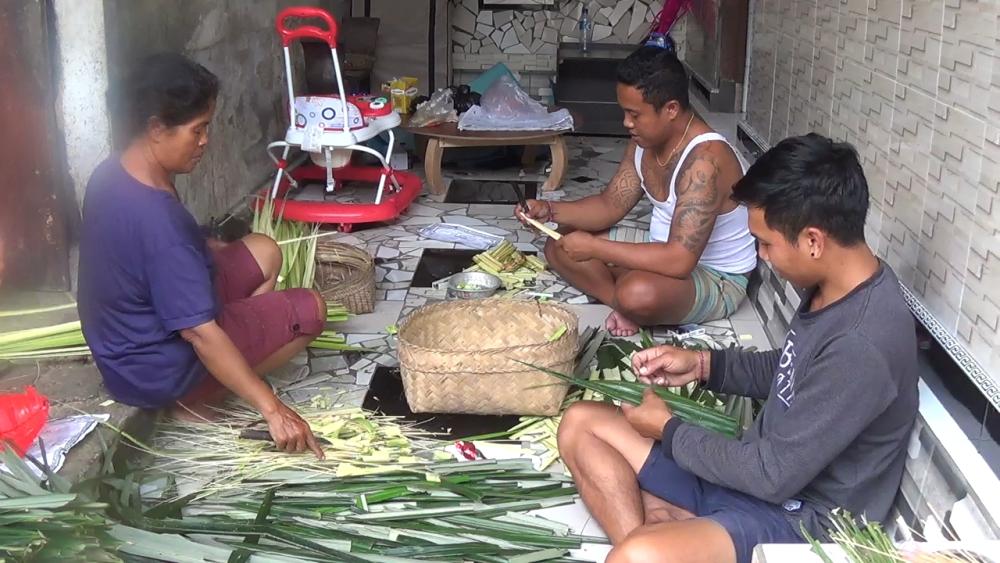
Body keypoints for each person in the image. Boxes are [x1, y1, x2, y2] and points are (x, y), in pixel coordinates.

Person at [556, 134, 919, 563]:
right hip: (747, 477)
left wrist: (669, 431)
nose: (760, 255)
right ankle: (672, 536)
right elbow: (792, 368)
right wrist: (703, 365)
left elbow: (772, 476)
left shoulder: (862, 342)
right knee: (581, 424)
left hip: (800, 518)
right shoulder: (834, 284)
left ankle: (665, 539)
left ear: (813, 241)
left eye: (765, 243)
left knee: (634, 558)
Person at [78, 54, 326, 458]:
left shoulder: (113, 173)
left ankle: (235, 349)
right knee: (311, 307)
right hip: (157, 369)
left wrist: (212, 249)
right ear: (157, 129)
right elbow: (196, 331)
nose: (205, 141)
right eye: (198, 130)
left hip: (123, 350)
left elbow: (157, 257)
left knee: (264, 250)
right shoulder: (158, 222)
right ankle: (199, 397)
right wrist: (273, 408)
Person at [517, 46, 756, 336]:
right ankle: (623, 305)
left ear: (670, 109)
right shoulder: (644, 141)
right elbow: (609, 205)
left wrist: (595, 249)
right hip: (663, 248)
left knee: (637, 293)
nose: (626, 123)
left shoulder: (706, 161)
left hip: (717, 277)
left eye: (634, 114)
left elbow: (679, 260)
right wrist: (550, 210)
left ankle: (629, 303)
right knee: (560, 244)